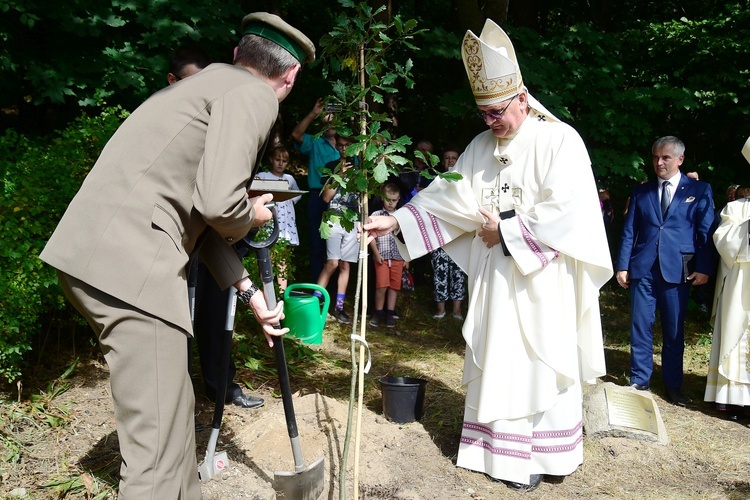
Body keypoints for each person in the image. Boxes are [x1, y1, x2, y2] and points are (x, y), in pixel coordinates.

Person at [39, 12, 314, 498]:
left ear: (237, 54)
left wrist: (246, 291)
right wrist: (250, 216)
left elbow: (194, 216)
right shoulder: (253, 96)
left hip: (103, 257)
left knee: (174, 415)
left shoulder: (203, 87)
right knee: (155, 456)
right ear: (289, 77)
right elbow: (217, 205)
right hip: (133, 265)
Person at [365, 20, 612, 491]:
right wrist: (395, 221)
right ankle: (500, 455)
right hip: (498, 279)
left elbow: (572, 211)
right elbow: (448, 197)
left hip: (545, 278)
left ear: (522, 97)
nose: (490, 122)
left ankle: (548, 456)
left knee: (543, 358)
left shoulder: (561, 141)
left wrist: (509, 230)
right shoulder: (481, 146)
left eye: (497, 111)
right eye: (483, 114)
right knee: (500, 356)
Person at [165, 44, 266, 411]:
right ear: (172, 82)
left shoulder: (225, 121)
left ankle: (221, 384)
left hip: (212, 239)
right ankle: (180, 399)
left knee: (215, 310)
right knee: (176, 322)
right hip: (173, 241)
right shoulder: (166, 122)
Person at [616, 136, 715, 407]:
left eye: (666, 157)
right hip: (643, 269)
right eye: (656, 157)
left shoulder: (700, 189)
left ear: (680, 159)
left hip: (677, 270)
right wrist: (623, 265)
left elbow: (705, 232)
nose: (659, 162)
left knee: (674, 330)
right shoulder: (641, 191)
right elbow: (629, 231)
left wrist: (704, 268)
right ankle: (639, 379)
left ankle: (673, 385)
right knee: (640, 326)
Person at [292, 98, 341, 281]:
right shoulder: (315, 141)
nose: (330, 125)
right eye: (326, 122)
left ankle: (337, 297)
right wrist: (313, 113)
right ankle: (317, 294)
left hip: (341, 201)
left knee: (339, 249)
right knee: (317, 245)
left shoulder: (347, 145)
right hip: (319, 196)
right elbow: (296, 134)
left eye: (333, 121)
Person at [316, 135, 360, 324]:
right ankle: (316, 302)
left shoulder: (361, 170)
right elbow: (326, 197)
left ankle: (339, 307)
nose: (343, 149)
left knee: (345, 264)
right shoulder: (331, 165)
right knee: (332, 263)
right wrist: (339, 175)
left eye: (347, 145)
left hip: (353, 220)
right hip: (333, 218)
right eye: (340, 145)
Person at [255, 146, 302, 292]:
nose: (281, 163)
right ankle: (266, 290)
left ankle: (282, 292)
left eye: (284, 161)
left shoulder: (289, 179)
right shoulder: (263, 176)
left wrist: (288, 203)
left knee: (283, 257)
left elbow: (297, 194)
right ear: (271, 160)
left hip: (285, 222)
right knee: (267, 255)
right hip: (269, 219)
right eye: (278, 160)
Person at [430, 148, 466, 320]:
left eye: (454, 158)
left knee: (458, 272)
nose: (451, 161)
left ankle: (457, 310)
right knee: (440, 271)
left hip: (459, 234)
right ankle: (440, 310)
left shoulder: (465, 182)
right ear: (442, 161)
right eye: (447, 158)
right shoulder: (436, 181)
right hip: (439, 234)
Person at [368, 182, 406, 328]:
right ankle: (378, 312)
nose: (391, 203)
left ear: (399, 199)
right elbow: (371, 236)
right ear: (382, 198)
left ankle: (390, 313)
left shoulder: (401, 216)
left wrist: (406, 258)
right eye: (388, 199)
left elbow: (407, 237)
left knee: (394, 286)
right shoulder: (376, 215)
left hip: (398, 256)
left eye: (394, 200)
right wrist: (376, 254)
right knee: (381, 286)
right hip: (381, 256)